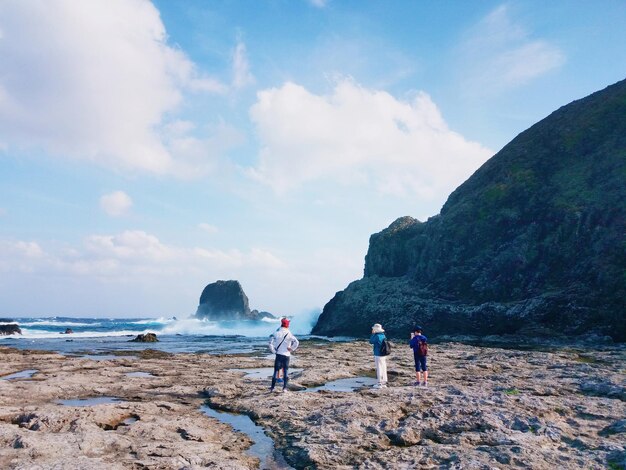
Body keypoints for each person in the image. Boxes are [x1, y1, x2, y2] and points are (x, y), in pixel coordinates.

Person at [268, 318, 299, 393]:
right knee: (285, 371)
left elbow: (270, 343)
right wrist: (291, 349)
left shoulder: (276, 332)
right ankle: (284, 388)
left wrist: (273, 351)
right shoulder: (289, 333)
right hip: (286, 355)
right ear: (287, 325)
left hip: (278, 354)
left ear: (281, 323)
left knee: (275, 371)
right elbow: (297, 342)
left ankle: (272, 388)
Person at [369, 323, 388, 388]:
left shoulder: (377, 336)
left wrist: (372, 334)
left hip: (378, 353)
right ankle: (384, 382)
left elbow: (371, 341)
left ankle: (379, 383)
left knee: (379, 367)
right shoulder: (383, 335)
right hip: (384, 354)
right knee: (383, 367)